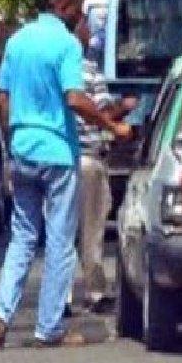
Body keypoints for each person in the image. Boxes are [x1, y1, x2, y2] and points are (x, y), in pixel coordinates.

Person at [0, 0, 134, 348]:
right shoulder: (66, 44)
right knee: (59, 240)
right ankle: (48, 326)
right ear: (66, 8)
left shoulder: (17, 41)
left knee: (22, 236)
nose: (80, 17)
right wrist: (111, 124)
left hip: (22, 148)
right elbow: (76, 100)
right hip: (56, 151)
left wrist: (11, 142)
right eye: (78, 10)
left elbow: (2, 100)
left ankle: (0, 314)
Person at [71, 17, 136, 314]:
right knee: (92, 229)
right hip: (87, 158)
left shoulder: (50, 68)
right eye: (85, 25)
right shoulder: (87, 69)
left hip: (57, 158)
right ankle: (95, 290)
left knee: (61, 231)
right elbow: (101, 110)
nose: (89, 32)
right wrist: (123, 107)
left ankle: (60, 297)